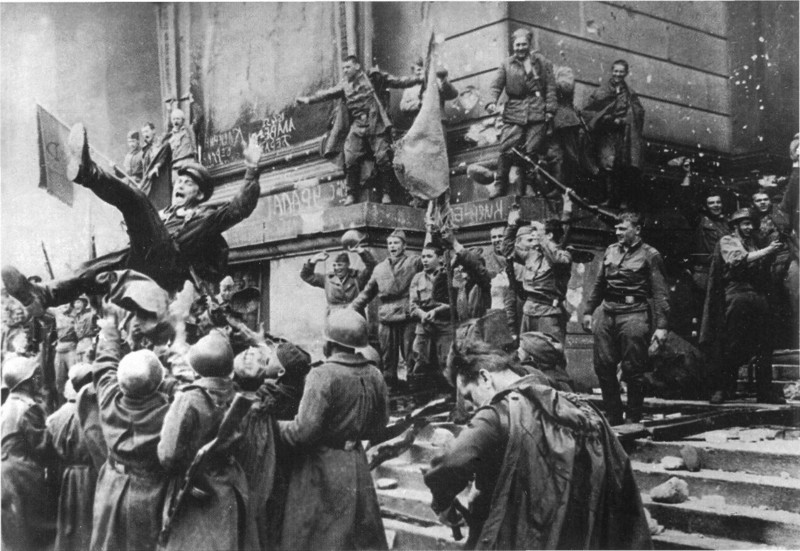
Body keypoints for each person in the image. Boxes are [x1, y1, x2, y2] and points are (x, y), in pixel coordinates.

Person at [423, 331, 651, 550]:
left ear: (485, 377)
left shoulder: (496, 415)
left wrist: (443, 505)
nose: (473, 407)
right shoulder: (576, 406)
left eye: (469, 396)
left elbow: (450, 465)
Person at [2, 124, 263, 315]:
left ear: (201, 194)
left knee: (136, 200)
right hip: (144, 260)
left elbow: (239, 208)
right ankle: (42, 295)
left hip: (170, 265)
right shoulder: (164, 214)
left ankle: (87, 172)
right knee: (93, 268)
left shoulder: (205, 216)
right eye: (179, 180)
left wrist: (252, 170)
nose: (180, 185)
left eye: (188, 183)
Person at [278, 309, 388, 550]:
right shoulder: (375, 374)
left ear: (329, 343)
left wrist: (274, 427)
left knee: (319, 538)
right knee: (361, 537)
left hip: (321, 468)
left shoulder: (322, 375)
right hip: (357, 463)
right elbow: (380, 426)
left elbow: (302, 432)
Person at [158, 332, 248, 551]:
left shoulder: (188, 399)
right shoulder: (237, 395)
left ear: (195, 369)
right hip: (228, 484)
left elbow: (168, 455)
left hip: (194, 489)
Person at [90, 314, 173, 551]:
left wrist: (110, 331)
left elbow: (104, 366)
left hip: (111, 485)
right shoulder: (169, 413)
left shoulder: (108, 398)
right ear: (159, 383)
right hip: (149, 492)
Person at [296, 55, 422, 206]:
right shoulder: (344, 85)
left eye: (348, 67)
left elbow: (398, 81)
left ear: (357, 67)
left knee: (383, 158)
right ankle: (351, 194)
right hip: (357, 126)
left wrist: (419, 79)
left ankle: (386, 193)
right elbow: (327, 94)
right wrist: (308, 100)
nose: (345, 70)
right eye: (343, 68)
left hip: (376, 124)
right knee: (350, 158)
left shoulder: (374, 77)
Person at [583, 211, 670, 424]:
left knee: (633, 369)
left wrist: (662, 326)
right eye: (616, 228)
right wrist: (588, 311)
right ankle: (613, 416)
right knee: (603, 366)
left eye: (623, 228)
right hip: (607, 312)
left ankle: (633, 417)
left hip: (634, 313)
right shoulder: (611, 250)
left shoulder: (651, 255)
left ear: (637, 230)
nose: (617, 232)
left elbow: (660, 292)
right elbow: (599, 284)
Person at [700, 209, 786, 404]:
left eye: (751, 224)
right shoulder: (727, 241)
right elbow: (736, 259)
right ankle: (722, 388)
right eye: (745, 224)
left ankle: (764, 390)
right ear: (736, 226)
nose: (749, 227)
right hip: (736, 293)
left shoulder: (755, 242)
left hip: (757, 292)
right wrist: (767, 251)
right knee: (731, 342)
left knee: (765, 343)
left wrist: (770, 250)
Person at [485, 28, 557, 198]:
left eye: (524, 44)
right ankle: (500, 185)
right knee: (506, 148)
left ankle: (530, 187)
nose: (520, 48)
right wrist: (491, 102)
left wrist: (550, 110)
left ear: (529, 44)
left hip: (537, 111)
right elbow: (495, 85)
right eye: (517, 45)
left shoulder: (542, 62)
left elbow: (550, 87)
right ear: (513, 46)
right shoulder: (506, 64)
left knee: (532, 151)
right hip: (514, 111)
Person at [350, 229, 422, 386]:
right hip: (386, 315)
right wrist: (352, 308)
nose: (392, 246)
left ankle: (414, 383)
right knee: (387, 354)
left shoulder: (414, 262)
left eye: (396, 243)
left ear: (404, 246)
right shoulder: (380, 268)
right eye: (390, 243)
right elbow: (367, 292)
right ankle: (390, 384)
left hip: (407, 313)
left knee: (411, 351)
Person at [1, 356, 56, 551]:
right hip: (23, 473)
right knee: (35, 532)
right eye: (35, 377)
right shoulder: (28, 408)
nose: (38, 381)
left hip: (7, 472)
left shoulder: (5, 407)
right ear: (25, 382)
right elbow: (43, 446)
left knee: (14, 531)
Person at [45, 362, 97, 551]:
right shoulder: (95, 413)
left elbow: (49, 454)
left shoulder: (55, 418)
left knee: (70, 522)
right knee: (90, 520)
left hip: (68, 476)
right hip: (93, 474)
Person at [503, 208, 572, 344]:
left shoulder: (564, 255)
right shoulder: (532, 254)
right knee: (526, 351)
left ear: (549, 236)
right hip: (528, 311)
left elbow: (555, 260)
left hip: (549, 313)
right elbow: (507, 250)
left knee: (549, 351)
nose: (535, 236)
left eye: (539, 232)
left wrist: (542, 238)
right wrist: (512, 226)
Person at [582, 59, 645, 208]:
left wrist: (626, 119)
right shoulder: (602, 91)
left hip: (623, 135)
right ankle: (607, 198)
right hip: (606, 134)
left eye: (621, 72)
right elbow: (589, 111)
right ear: (612, 71)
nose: (618, 74)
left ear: (626, 73)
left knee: (622, 165)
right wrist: (608, 119)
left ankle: (621, 200)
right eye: (616, 71)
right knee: (607, 164)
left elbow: (638, 112)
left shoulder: (630, 94)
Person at [409, 243, 452, 382]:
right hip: (424, 323)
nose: (425, 260)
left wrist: (436, 311)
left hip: (445, 323)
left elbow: (455, 303)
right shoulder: (417, 278)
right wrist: (422, 314)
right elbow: (412, 305)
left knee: (446, 360)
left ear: (440, 258)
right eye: (423, 257)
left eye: (429, 256)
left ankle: (448, 390)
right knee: (420, 358)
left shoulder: (449, 276)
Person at [300, 245, 377, 316]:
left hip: (354, 316)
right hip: (334, 318)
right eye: (334, 265)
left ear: (348, 264)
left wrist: (361, 251)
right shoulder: (328, 279)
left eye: (340, 265)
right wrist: (314, 259)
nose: (336, 268)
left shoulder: (357, 277)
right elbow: (306, 275)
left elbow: (372, 267)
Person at [399, 56, 459, 125]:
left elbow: (453, 94)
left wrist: (443, 80)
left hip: (438, 122)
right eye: (415, 69)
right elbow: (403, 107)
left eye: (421, 68)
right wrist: (419, 104)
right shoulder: (409, 89)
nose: (418, 71)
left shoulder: (437, 82)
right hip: (420, 124)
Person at [691, 193, 729, 294]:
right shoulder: (699, 220)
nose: (716, 205)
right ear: (705, 206)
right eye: (711, 203)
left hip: (723, 270)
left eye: (718, 202)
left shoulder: (726, 222)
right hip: (705, 272)